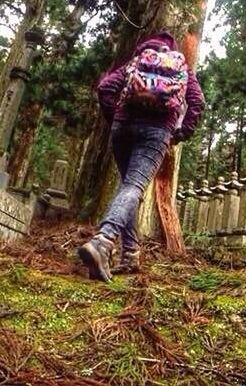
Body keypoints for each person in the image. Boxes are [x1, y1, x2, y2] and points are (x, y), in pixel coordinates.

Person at [77, 31, 204, 282]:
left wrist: (115, 118)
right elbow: (197, 102)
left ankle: (130, 253)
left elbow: (105, 88)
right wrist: (178, 134)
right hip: (156, 132)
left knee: (129, 188)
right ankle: (103, 241)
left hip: (122, 129)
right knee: (134, 187)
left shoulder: (135, 62)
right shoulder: (181, 67)